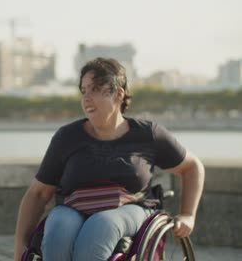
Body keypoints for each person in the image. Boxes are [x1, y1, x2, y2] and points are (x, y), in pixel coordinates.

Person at [14, 57, 205, 261]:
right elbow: (38, 194)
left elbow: (192, 167)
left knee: (100, 226)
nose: (87, 98)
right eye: (84, 90)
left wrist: (188, 215)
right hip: (74, 207)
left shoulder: (148, 134)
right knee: (58, 227)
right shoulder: (67, 137)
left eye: (95, 89)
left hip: (130, 209)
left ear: (118, 94)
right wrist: (20, 250)